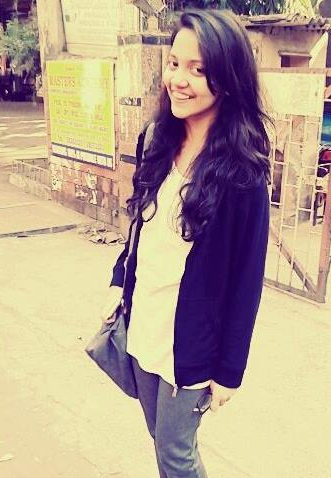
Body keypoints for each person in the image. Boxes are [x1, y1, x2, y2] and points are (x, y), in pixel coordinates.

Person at [101, 9, 271, 477]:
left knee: (175, 453)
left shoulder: (243, 171)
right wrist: (119, 280)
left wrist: (230, 370)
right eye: (174, 63)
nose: (179, 79)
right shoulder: (156, 137)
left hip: (193, 342)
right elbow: (142, 225)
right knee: (162, 439)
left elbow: (246, 281)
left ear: (227, 79)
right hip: (144, 323)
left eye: (198, 69)